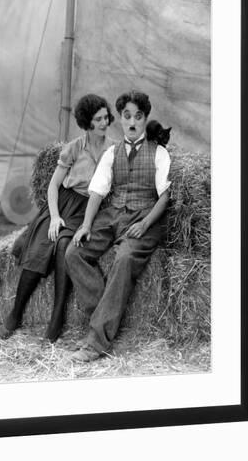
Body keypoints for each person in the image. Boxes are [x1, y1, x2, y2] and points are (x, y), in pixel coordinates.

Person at [0, 94, 116, 343]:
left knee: (65, 245)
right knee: (41, 245)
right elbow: (53, 186)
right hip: (64, 202)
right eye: (98, 119)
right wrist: (53, 217)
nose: (104, 123)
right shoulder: (73, 148)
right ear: (87, 122)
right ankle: (16, 312)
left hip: (89, 207)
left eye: (106, 117)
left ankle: (57, 316)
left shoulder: (114, 150)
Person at [65, 90, 171, 362]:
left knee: (123, 259)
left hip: (146, 217)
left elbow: (166, 195)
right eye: (127, 116)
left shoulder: (159, 153)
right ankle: (103, 317)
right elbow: (97, 192)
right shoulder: (111, 153)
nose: (132, 122)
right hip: (113, 215)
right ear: (120, 120)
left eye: (138, 116)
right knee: (73, 252)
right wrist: (86, 225)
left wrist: (146, 224)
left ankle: (96, 342)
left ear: (145, 118)